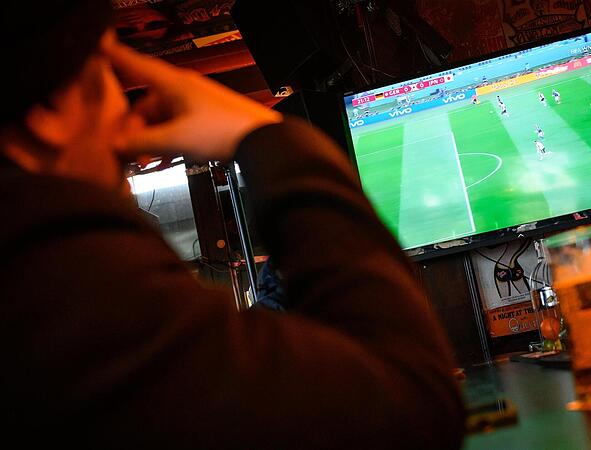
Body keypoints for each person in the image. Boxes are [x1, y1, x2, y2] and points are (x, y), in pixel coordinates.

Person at [0, 2, 464, 448]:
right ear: (50, 113)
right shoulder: (68, 293)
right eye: (105, 71)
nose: (123, 110)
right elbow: (412, 411)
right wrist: (262, 135)